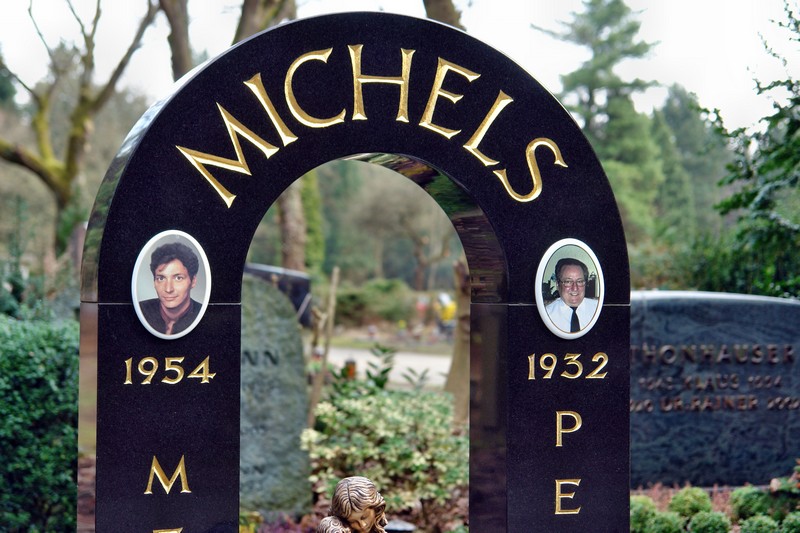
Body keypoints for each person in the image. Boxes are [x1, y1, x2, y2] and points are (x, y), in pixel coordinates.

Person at [138, 242, 202, 335]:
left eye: (178, 278)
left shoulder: (202, 314)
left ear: (193, 281)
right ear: (154, 282)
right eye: (161, 278)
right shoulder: (141, 311)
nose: (168, 289)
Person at [544, 257, 598, 333]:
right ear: (557, 285)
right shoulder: (546, 315)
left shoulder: (597, 309)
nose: (575, 288)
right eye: (568, 282)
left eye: (580, 281)